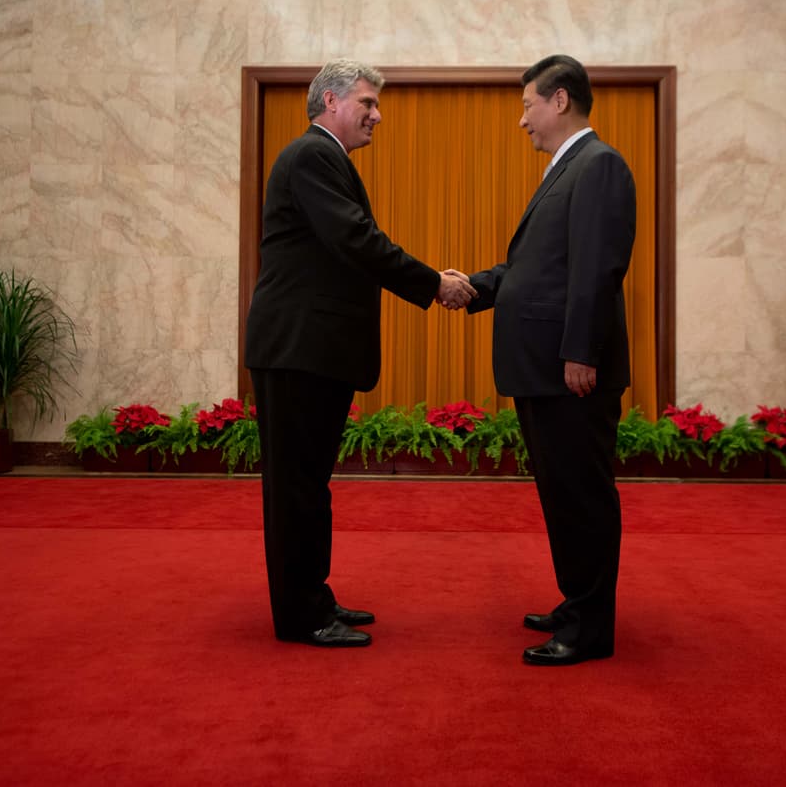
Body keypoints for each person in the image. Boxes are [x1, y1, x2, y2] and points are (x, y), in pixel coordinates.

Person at [245, 59, 476, 648]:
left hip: (311, 350)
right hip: (299, 349)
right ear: (330, 102)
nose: (377, 115)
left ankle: (314, 597)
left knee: (310, 484)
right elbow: (356, 239)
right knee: (296, 487)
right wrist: (433, 283)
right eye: (367, 103)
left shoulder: (324, 158)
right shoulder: (314, 156)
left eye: (376, 105)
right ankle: (301, 617)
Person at [461, 54, 637, 665]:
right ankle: (576, 602)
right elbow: (536, 271)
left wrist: (580, 353)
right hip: (545, 369)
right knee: (561, 494)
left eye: (527, 105)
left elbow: (597, 269)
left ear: (559, 101)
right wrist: (475, 288)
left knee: (582, 495)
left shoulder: (599, 166)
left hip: (570, 372)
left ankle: (590, 628)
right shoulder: (569, 170)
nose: (523, 121)